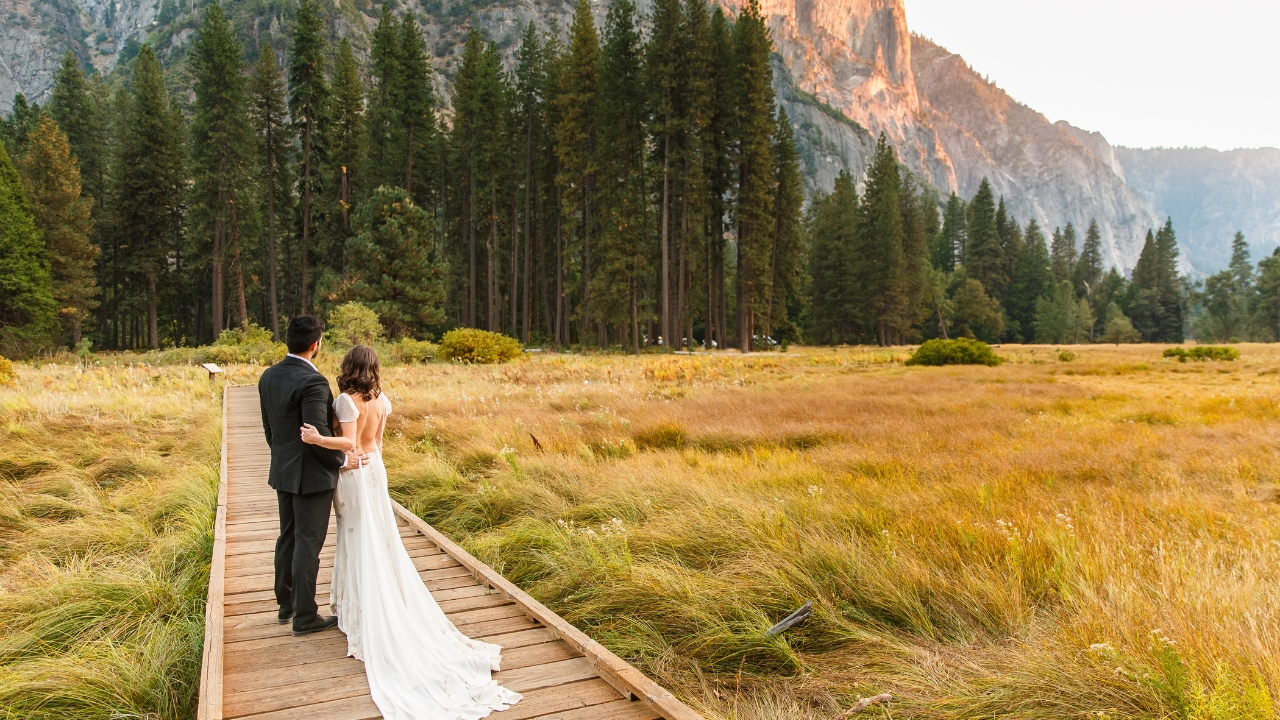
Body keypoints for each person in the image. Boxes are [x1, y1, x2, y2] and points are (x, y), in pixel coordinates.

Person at [300, 345, 522, 719]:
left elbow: (350, 446)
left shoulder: (345, 402)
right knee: (380, 540)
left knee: (357, 539)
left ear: (348, 367)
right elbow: (377, 445)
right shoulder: (382, 400)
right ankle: (360, 603)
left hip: (354, 475)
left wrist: (319, 439)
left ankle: (358, 610)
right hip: (377, 470)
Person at [257, 315, 346, 636]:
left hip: (283, 469)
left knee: (288, 536)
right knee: (309, 543)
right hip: (312, 475)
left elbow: (269, 429)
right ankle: (305, 616)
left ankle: (287, 603)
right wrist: (340, 459)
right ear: (315, 345)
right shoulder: (314, 382)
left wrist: (283, 457)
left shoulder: (268, 376)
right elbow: (316, 431)